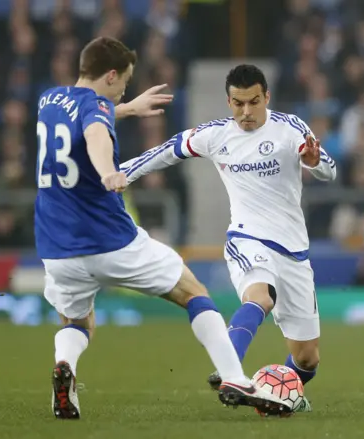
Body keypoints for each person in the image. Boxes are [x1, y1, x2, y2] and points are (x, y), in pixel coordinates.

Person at [36, 38, 291, 419]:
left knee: (77, 320)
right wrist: (108, 171)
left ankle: (65, 368)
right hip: (111, 241)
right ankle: (234, 376)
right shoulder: (96, 114)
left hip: (57, 249)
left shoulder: (49, 100)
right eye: (124, 80)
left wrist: (124, 108)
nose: (125, 86)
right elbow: (94, 135)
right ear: (110, 74)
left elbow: (87, 115)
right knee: (193, 291)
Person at [121, 64, 337, 413]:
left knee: (308, 358)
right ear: (228, 101)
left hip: (294, 251)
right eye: (238, 104)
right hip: (247, 239)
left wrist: (315, 161)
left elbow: (330, 169)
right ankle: (230, 370)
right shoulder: (216, 134)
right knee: (260, 296)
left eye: (253, 102)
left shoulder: (289, 128)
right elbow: (167, 150)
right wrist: (121, 174)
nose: (246, 112)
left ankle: (277, 392)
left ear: (267, 97)